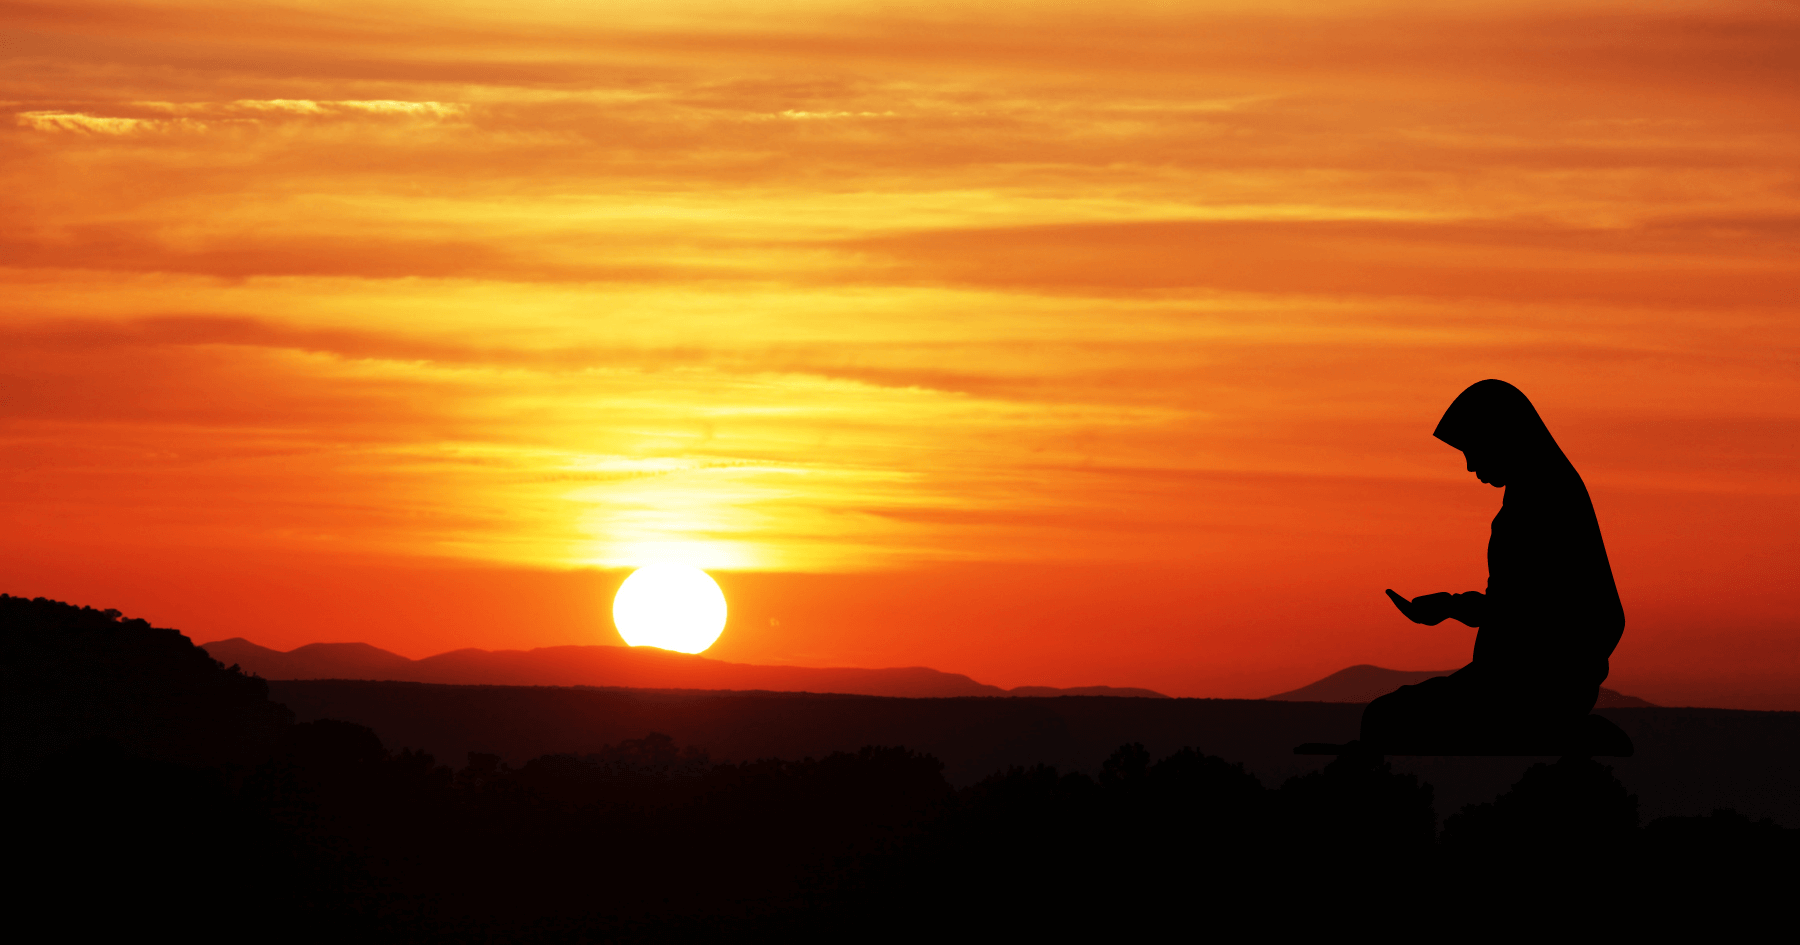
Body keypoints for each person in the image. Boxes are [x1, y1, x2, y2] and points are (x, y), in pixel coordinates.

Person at [1362, 380, 1625, 752]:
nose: (1470, 466)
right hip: (1511, 683)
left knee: (1386, 720)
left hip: (1531, 690)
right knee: (1386, 718)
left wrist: (1454, 607)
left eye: (1473, 449)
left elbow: (1534, 612)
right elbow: (1513, 607)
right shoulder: (1534, 498)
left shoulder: (1547, 502)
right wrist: (1452, 606)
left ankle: (1551, 727)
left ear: (1503, 438)